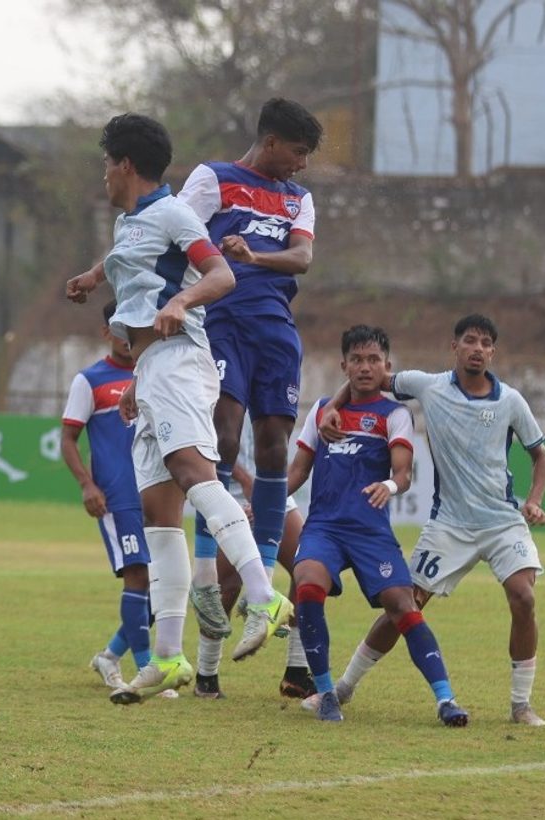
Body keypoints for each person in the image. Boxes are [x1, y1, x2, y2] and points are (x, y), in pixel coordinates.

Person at [65, 113, 293, 704]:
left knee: (196, 474)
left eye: (106, 163)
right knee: (157, 511)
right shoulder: (131, 223)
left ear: (124, 164)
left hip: (181, 358)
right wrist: (92, 279)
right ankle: (167, 657)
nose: (104, 174)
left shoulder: (173, 213)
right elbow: (126, 266)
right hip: (152, 370)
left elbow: (220, 275)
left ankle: (265, 596)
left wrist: (182, 302)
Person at [317, 314, 545, 725]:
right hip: (450, 525)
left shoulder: (510, 400)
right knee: (403, 605)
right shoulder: (428, 386)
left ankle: (521, 705)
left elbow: (540, 454)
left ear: (493, 352)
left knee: (525, 597)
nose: (478, 348)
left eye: (486, 343)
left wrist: (533, 500)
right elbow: (365, 382)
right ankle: (343, 688)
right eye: (470, 340)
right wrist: (332, 408)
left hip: (502, 521)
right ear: (454, 346)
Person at [178, 99, 321, 661]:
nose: (302, 165)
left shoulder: (298, 198)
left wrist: (254, 256)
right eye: (298, 152)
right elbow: (176, 235)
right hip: (224, 324)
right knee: (223, 439)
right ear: (271, 142)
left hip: (276, 330)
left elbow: (303, 259)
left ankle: (260, 577)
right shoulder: (215, 179)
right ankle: (208, 578)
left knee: (274, 449)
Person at [290, 326, 468, 725]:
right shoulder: (321, 413)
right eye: (357, 359)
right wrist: (262, 505)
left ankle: (445, 700)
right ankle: (326, 693)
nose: (365, 367)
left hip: (371, 532)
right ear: (344, 366)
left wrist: (388, 485)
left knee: (404, 606)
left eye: (373, 360)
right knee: (308, 584)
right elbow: (297, 472)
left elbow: (404, 473)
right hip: (325, 528)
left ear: (387, 366)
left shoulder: (395, 414)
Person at [62, 301, 155, 692]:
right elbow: (67, 439)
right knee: (137, 576)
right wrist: (88, 485)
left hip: (155, 494)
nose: (126, 336)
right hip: (117, 498)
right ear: (107, 332)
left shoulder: (153, 375)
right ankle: (150, 669)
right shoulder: (91, 380)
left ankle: (111, 656)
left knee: (162, 584)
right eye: (119, 328)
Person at [202, 464, 306, 699]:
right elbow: (216, 439)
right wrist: (245, 479)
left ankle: (296, 672)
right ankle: (206, 676)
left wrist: (273, 489)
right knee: (226, 588)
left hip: (272, 491)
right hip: (232, 495)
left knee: (307, 568)